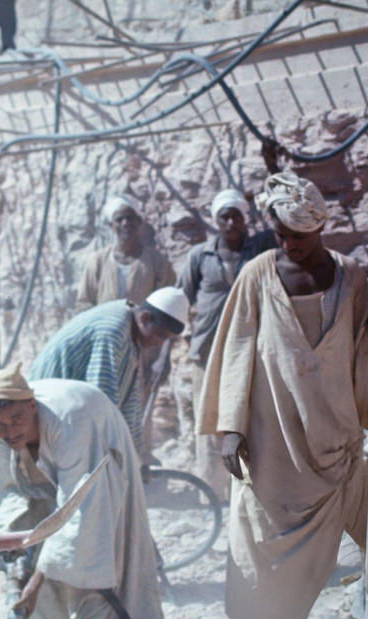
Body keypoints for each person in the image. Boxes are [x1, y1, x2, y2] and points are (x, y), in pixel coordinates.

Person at [196, 171, 368, 619]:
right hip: (271, 438)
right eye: (280, 233)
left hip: (331, 436)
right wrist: (230, 429)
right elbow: (235, 348)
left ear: (319, 228)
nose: (287, 243)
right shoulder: (258, 274)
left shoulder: (351, 277)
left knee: (313, 557)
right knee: (262, 546)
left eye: (297, 235)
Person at [0, 365, 166, 619]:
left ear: (33, 407)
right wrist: (16, 551)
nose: (8, 432)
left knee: (90, 563)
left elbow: (77, 519)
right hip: (42, 471)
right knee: (29, 558)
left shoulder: (74, 422)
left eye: (16, 421)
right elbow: (2, 488)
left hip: (97, 448)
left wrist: (36, 580)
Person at [178, 188, 277, 496]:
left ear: (245, 219)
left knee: (248, 417)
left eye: (237, 215)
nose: (232, 222)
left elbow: (280, 224)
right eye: (225, 216)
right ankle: (211, 493)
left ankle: (248, 488)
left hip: (249, 351)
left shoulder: (259, 249)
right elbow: (181, 298)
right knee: (209, 422)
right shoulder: (200, 256)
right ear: (216, 221)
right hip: (207, 352)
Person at [28, 289, 189, 461]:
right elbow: (100, 400)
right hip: (46, 410)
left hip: (70, 411)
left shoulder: (131, 330)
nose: (159, 344)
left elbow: (129, 403)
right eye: (160, 336)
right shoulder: (112, 330)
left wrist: (136, 456)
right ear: (146, 318)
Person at [74, 194, 176, 311]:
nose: (125, 223)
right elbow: (84, 303)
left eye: (130, 218)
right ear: (111, 225)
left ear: (139, 221)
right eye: (119, 219)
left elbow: (166, 304)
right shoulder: (98, 261)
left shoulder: (158, 262)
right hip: (105, 326)